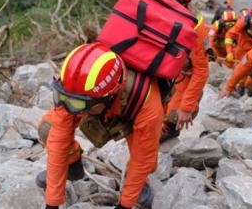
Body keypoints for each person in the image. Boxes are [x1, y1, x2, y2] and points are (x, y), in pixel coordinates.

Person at [36, 42, 164, 209]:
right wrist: (52, 203)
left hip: (132, 113)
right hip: (99, 108)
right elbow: (58, 139)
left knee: (147, 161)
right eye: (64, 98)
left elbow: (142, 160)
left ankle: (140, 188)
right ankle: (73, 165)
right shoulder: (75, 89)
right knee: (48, 128)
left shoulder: (148, 106)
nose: (69, 108)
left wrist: (125, 205)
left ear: (109, 96)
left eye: (77, 103)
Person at [154, 0, 210, 143]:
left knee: (171, 116)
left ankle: (170, 129)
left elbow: (201, 71)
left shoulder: (197, 30)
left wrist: (187, 107)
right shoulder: (153, 14)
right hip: (161, 71)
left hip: (183, 76)